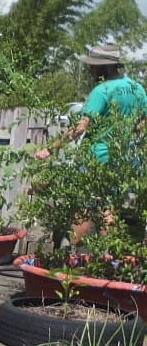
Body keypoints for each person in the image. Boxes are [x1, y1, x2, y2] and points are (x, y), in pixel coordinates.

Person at [34, 43, 147, 242]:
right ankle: (109, 259)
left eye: (93, 65)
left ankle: (70, 258)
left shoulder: (101, 90)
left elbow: (80, 127)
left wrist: (50, 149)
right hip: (125, 158)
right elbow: (143, 122)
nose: (89, 69)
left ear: (106, 67)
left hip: (97, 158)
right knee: (109, 208)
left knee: (84, 207)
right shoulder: (136, 88)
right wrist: (129, 133)